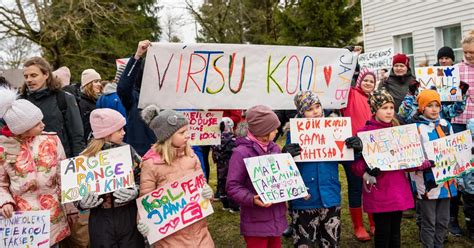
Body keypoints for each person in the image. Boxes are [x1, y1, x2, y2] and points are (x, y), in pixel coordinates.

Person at [351, 89, 430, 247]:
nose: (389, 112)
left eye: (391, 108)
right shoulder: (364, 134)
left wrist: (423, 163)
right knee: (382, 232)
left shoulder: (399, 131)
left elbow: (408, 160)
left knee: (395, 232)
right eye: (384, 108)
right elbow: (355, 166)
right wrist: (366, 168)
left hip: (398, 189)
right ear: (375, 109)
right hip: (379, 191)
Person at [0, 86, 70, 247]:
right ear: (22, 128)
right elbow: (1, 184)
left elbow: (63, 177)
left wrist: (71, 208)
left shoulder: (52, 141)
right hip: (22, 223)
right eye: (37, 123)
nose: (43, 125)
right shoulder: (4, 149)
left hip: (53, 216)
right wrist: (5, 202)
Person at [137, 106, 214, 247]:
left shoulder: (191, 155)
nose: (187, 136)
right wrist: (143, 222)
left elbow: (202, 185)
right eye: (182, 132)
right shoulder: (151, 164)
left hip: (200, 232)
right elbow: (145, 199)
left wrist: (208, 192)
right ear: (167, 136)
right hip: (170, 238)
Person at [74, 108, 144, 247]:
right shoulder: (85, 158)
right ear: (106, 134)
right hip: (100, 220)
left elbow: (142, 176)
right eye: (119, 130)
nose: (124, 133)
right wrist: (82, 203)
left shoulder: (128, 151)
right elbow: (75, 190)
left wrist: (136, 190)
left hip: (128, 216)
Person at [284, 91, 342, 247]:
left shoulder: (335, 129)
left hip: (330, 195)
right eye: (309, 109)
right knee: (305, 241)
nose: (316, 111)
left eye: (317, 106)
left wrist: (354, 148)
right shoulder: (294, 133)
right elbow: (286, 170)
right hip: (304, 198)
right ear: (302, 113)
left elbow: (347, 160)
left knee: (330, 241)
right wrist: (285, 155)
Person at [226, 105, 287, 248]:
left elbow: (282, 176)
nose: (277, 131)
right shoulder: (241, 153)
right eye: (274, 129)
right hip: (255, 220)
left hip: (276, 216)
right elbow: (233, 186)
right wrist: (251, 198)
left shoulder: (275, 149)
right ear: (263, 131)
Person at [409, 90, 458, 247]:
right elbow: (411, 155)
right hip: (426, 181)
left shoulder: (446, 124)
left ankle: (439, 245)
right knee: (429, 220)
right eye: (430, 105)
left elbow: (454, 148)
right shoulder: (416, 128)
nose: (434, 109)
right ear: (422, 107)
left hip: (446, 181)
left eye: (437, 105)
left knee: (443, 219)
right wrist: (420, 163)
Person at [19, 56, 85, 158]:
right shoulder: (20, 102)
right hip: (29, 164)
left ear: (46, 74)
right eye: (26, 76)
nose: (29, 80)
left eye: (33, 75)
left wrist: (79, 161)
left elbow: (76, 136)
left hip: (60, 161)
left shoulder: (64, 98)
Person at [340, 68, 377, 241]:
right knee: (355, 187)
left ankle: (373, 222)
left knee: (371, 186)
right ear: (359, 80)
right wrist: (349, 59)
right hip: (353, 149)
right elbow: (342, 81)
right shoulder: (351, 94)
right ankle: (358, 226)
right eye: (366, 80)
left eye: (372, 81)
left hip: (371, 149)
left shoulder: (375, 99)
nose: (369, 83)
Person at [117, 40, 156, 156]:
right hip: (140, 157)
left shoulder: (165, 97)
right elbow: (123, 88)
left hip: (164, 157)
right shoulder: (133, 97)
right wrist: (137, 56)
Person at [211, 117, 239, 212]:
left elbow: (214, 153)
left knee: (222, 182)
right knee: (231, 184)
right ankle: (233, 206)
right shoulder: (234, 139)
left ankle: (225, 204)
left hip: (220, 166)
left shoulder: (215, 139)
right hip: (231, 166)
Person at [451, 30, 474, 133]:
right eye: (465, 52)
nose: (468, 55)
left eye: (472, 52)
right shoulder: (455, 69)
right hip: (459, 120)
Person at [457, 118, 474, 240]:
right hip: (469, 187)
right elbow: (459, 165)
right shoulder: (464, 146)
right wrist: (460, 182)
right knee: (470, 209)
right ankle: (472, 230)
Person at [79, 69, 103, 142]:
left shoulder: (96, 100)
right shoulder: (81, 102)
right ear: (88, 84)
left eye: (99, 81)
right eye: (96, 81)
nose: (99, 84)